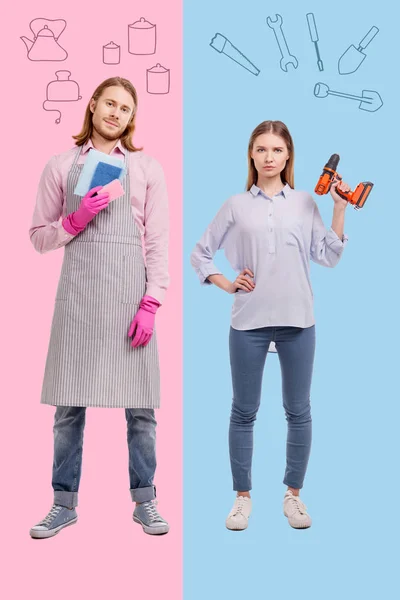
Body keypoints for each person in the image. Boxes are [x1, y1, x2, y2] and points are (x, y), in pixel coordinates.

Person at [190, 120, 350, 530]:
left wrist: (338, 209)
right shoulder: (235, 204)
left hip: (299, 321)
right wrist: (225, 282)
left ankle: (293, 496)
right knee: (244, 411)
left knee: (298, 411)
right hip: (249, 322)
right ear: (251, 155)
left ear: (288, 156)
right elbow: (201, 253)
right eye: (260, 149)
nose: (268, 157)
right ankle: (242, 497)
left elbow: (329, 257)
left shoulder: (304, 203)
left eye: (276, 150)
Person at [29, 77, 170, 538]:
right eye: (109, 103)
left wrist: (151, 303)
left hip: (129, 298)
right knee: (68, 407)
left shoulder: (147, 169)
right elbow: (38, 238)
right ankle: (63, 503)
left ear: (131, 119)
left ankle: (145, 500)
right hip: (79, 300)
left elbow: (157, 242)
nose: (116, 113)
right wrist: (75, 219)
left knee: (142, 408)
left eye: (125, 108)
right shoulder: (60, 165)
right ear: (92, 105)